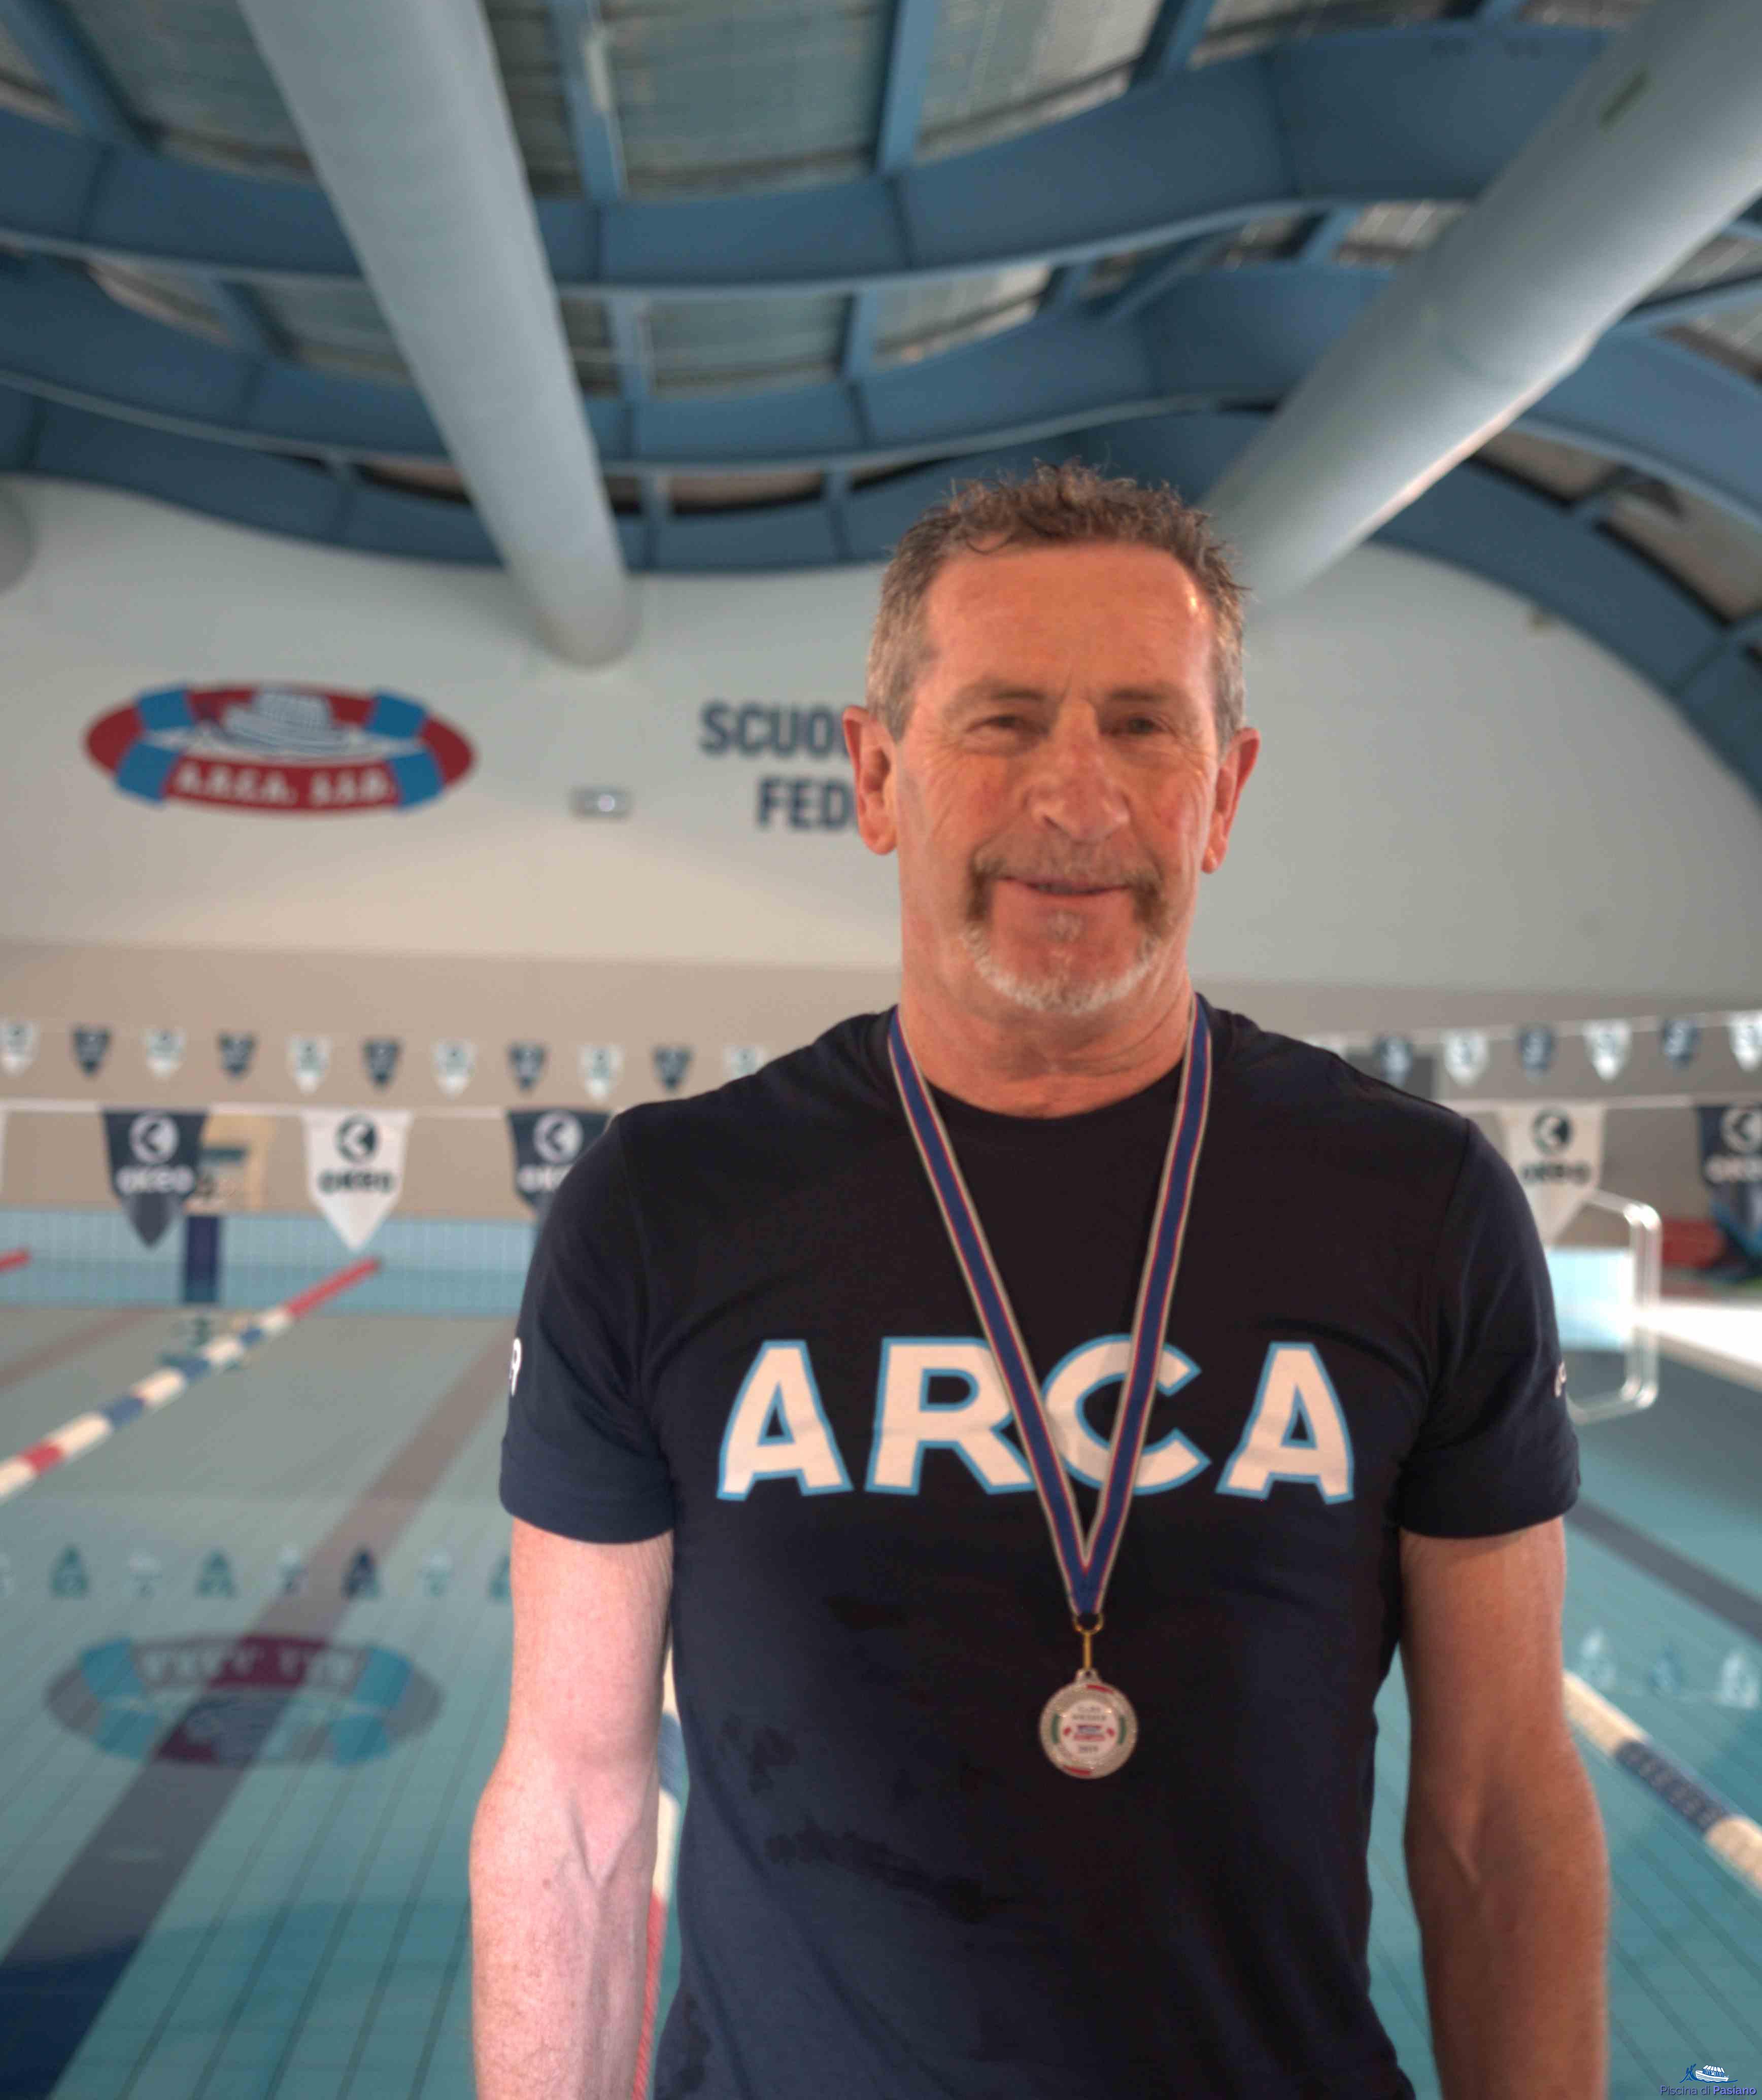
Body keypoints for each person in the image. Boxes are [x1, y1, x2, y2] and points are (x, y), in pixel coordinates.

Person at [471, 460, 1608, 2099]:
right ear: (877, 774)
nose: (1077, 800)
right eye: (1002, 721)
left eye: (1144, 727)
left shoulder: (1418, 1208)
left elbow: (1501, 1808)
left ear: (1225, 792)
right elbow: (576, 1812)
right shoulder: (667, 1210)